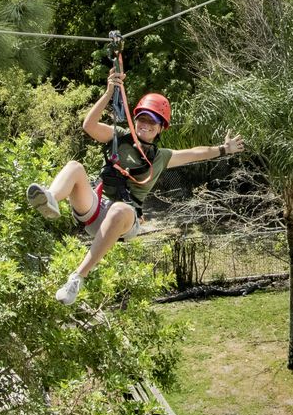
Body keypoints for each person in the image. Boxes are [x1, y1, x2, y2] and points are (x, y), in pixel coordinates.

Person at [26, 70, 244, 305]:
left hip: (125, 218)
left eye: (152, 121)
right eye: (142, 119)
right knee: (74, 167)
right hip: (96, 208)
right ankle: (50, 198)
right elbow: (89, 126)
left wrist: (224, 149)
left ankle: (77, 278)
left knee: (119, 209)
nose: (146, 125)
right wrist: (109, 92)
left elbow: (195, 153)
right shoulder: (119, 137)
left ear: (161, 128)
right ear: (135, 119)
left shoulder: (161, 157)